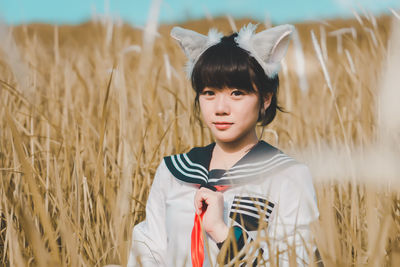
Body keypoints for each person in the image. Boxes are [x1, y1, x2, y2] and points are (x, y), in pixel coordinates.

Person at [127, 23, 319, 267]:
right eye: (209, 92)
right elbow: (148, 251)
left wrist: (221, 232)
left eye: (237, 93)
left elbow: (295, 261)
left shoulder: (287, 176)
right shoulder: (173, 171)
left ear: (265, 99)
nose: (220, 108)